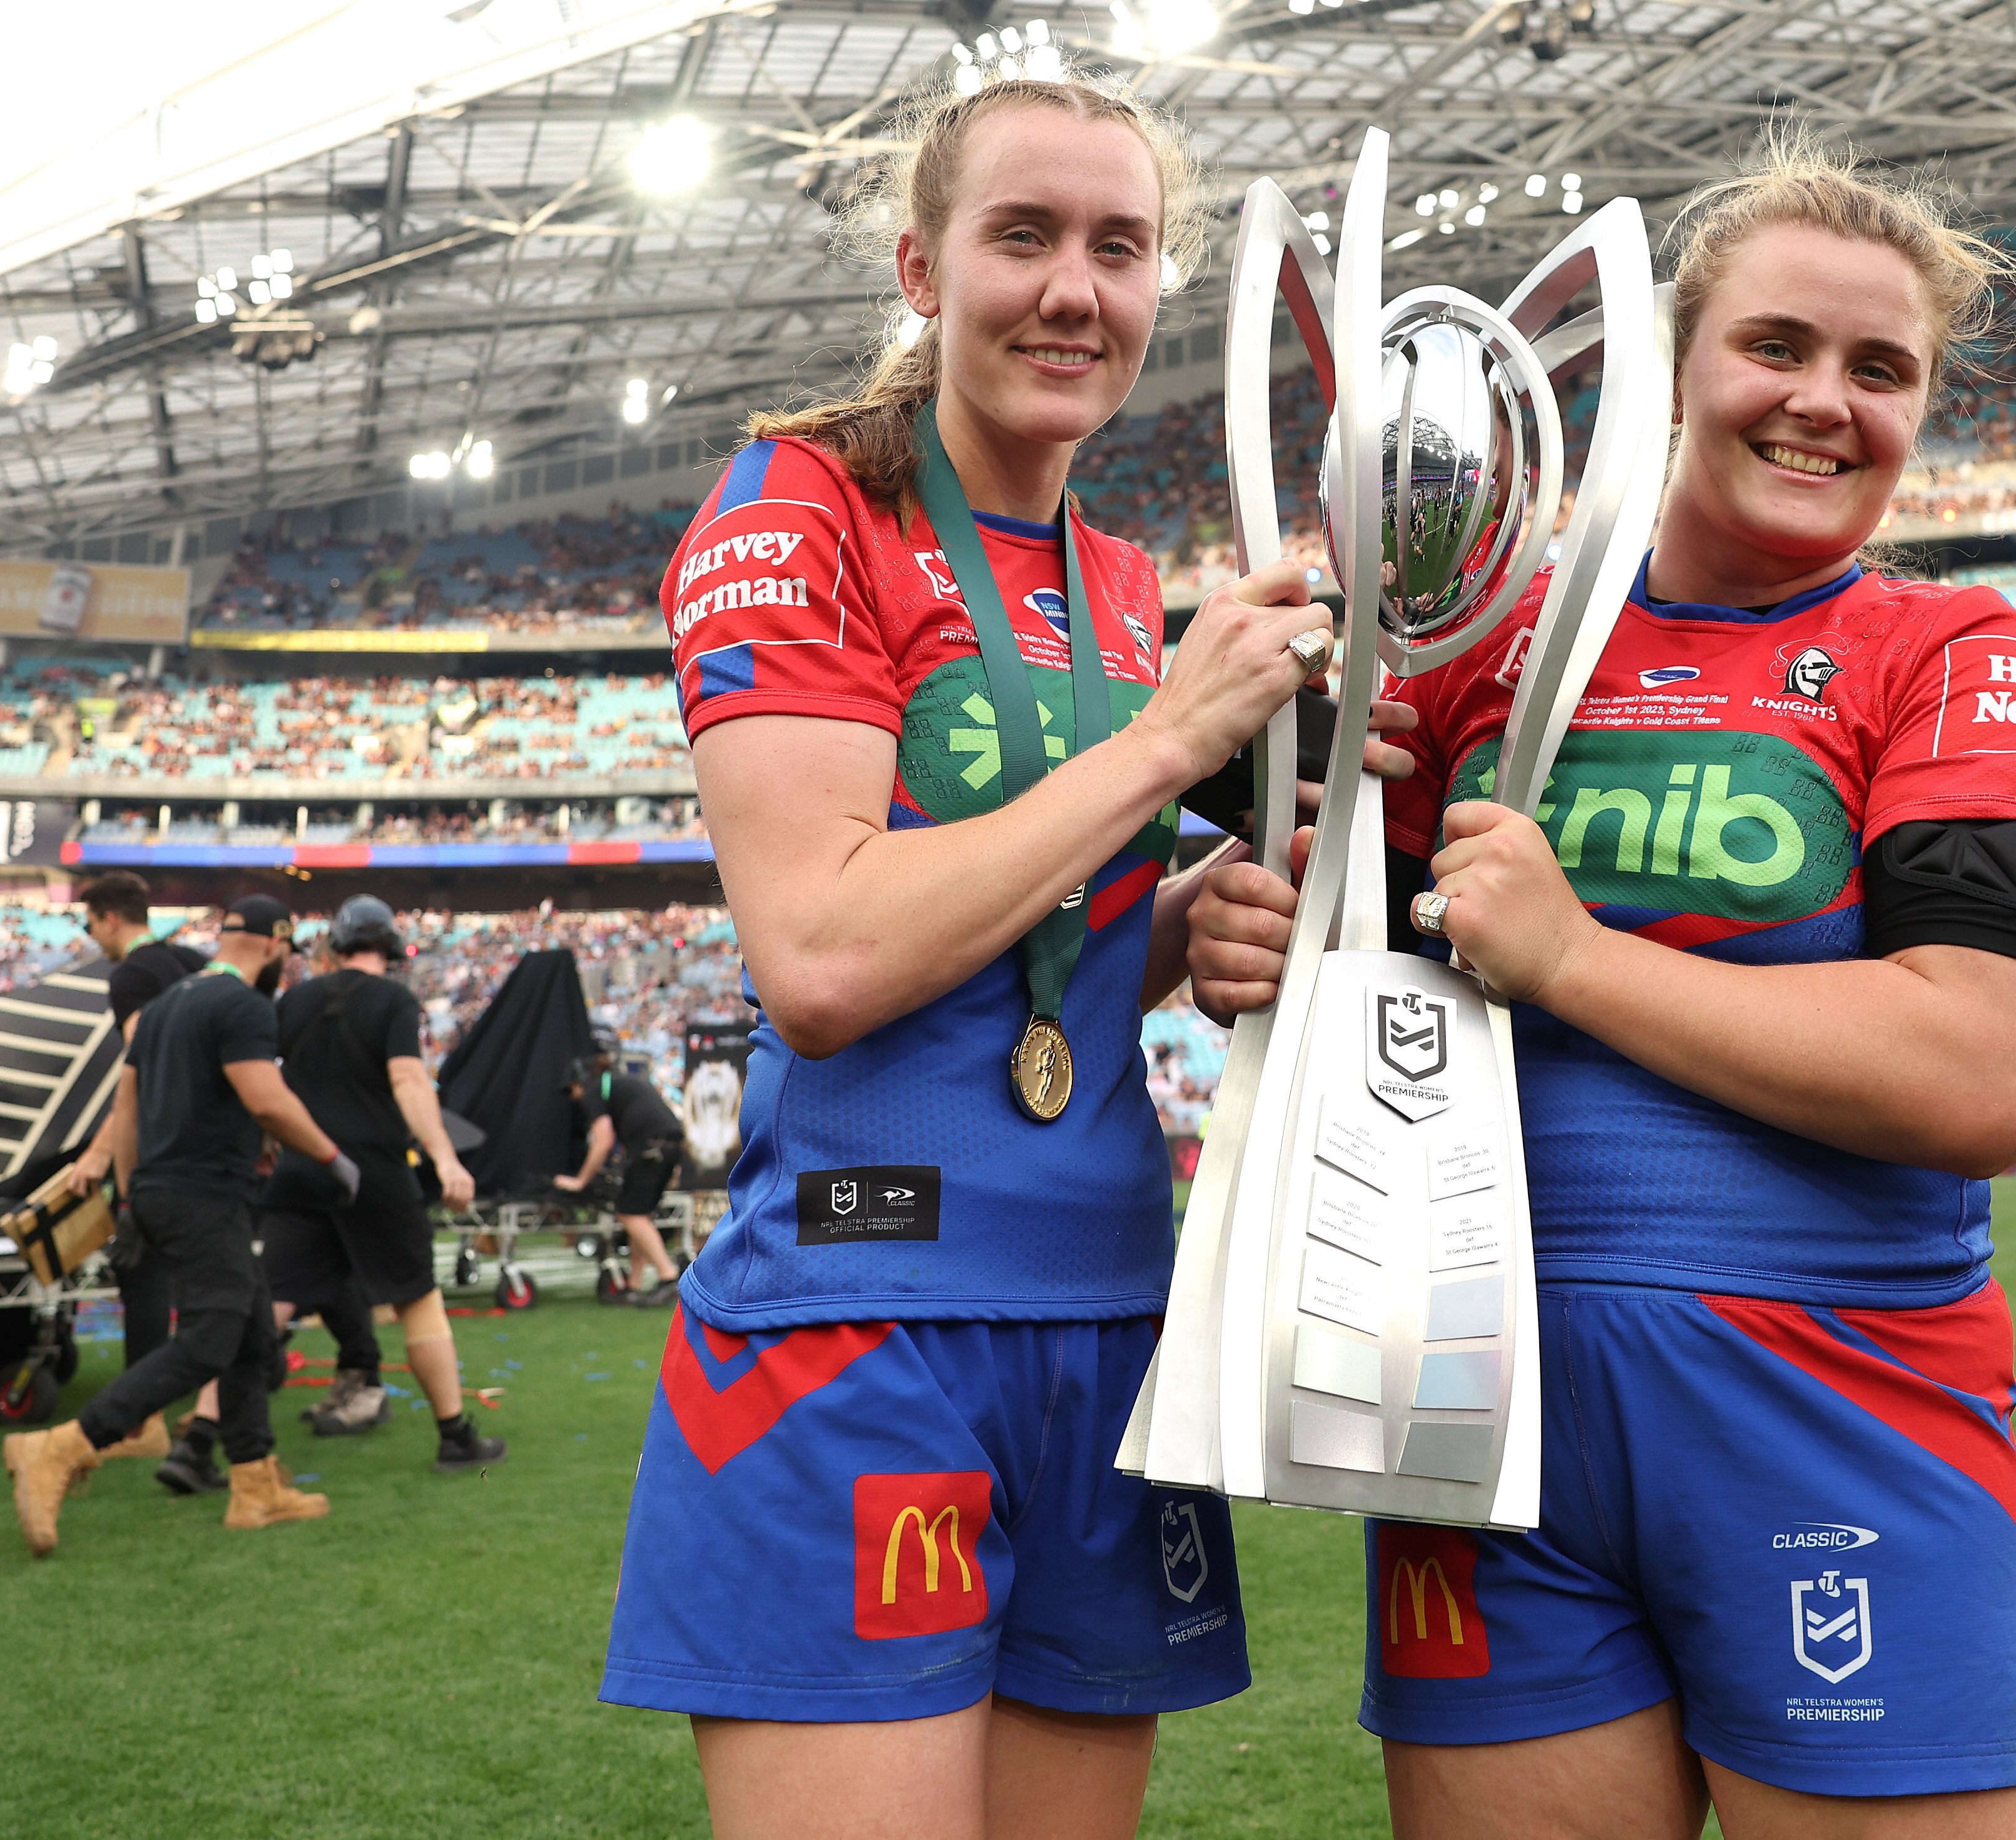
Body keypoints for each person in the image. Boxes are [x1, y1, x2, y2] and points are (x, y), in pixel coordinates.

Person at [1190, 134, 2016, 1839]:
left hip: (1838, 1403)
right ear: (1671, 373)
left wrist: (1577, 959)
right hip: (1479, 1411)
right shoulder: (1464, 645)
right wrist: (1249, 933)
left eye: (1880, 368)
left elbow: (1982, 1072)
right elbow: (1359, 962)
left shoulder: (1952, 655)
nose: (1824, 400)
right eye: (1777, 346)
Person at [598, 73, 1408, 1840]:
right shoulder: (797, 506)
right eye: (1022, 235)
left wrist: (1186, 927)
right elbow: (822, 953)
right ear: (921, 265)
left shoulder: (1112, 576)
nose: (1072, 289)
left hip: (1111, 1315)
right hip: (864, 1318)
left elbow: (1037, 934)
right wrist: (1167, 741)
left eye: (1120, 247)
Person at [6, 897, 355, 1553]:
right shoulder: (245, 1005)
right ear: (275, 943)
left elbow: (128, 1106)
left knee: (252, 1338)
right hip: (207, 1196)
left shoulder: (166, 1005)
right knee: (210, 1338)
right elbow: (266, 1099)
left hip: (163, 1191)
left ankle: (255, 1484)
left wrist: (131, 1198)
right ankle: (65, 1445)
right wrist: (332, 1157)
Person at [260, 895, 502, 1468]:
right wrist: (445, 1159)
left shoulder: (294, 1000)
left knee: (272, 1299)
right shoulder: (394, 1000)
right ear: (390, 947)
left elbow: (268, 1084)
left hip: (303, 1165)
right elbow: (409, 1082)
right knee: (417, 1298)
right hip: (374, 1168)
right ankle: (454, 1436)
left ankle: (206, 1431)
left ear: (338, 944)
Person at [61, 872, 208, 1476]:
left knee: (142, 1271)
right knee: (216, 1283)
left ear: (110, 918)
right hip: (214, 1145)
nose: (91, 936)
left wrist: (102, 1153)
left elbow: (145, 1070)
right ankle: (217, 1409)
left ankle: (144, 1421)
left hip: (165, 1149)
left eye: (90, 923)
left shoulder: (131, 976)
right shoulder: (192, 961)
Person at [557, 1027, 687, 1303]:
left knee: (630, 1215)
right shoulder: (620, 1083)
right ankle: (635, 1285)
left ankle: (668, 1278)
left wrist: (580, 1181)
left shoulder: (594, 1090)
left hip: (651, 1148)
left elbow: (603, 1141)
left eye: (571, 1090)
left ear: (580, 1082)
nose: (573, 1097)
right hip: (666, 1146)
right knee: (638, 1215)